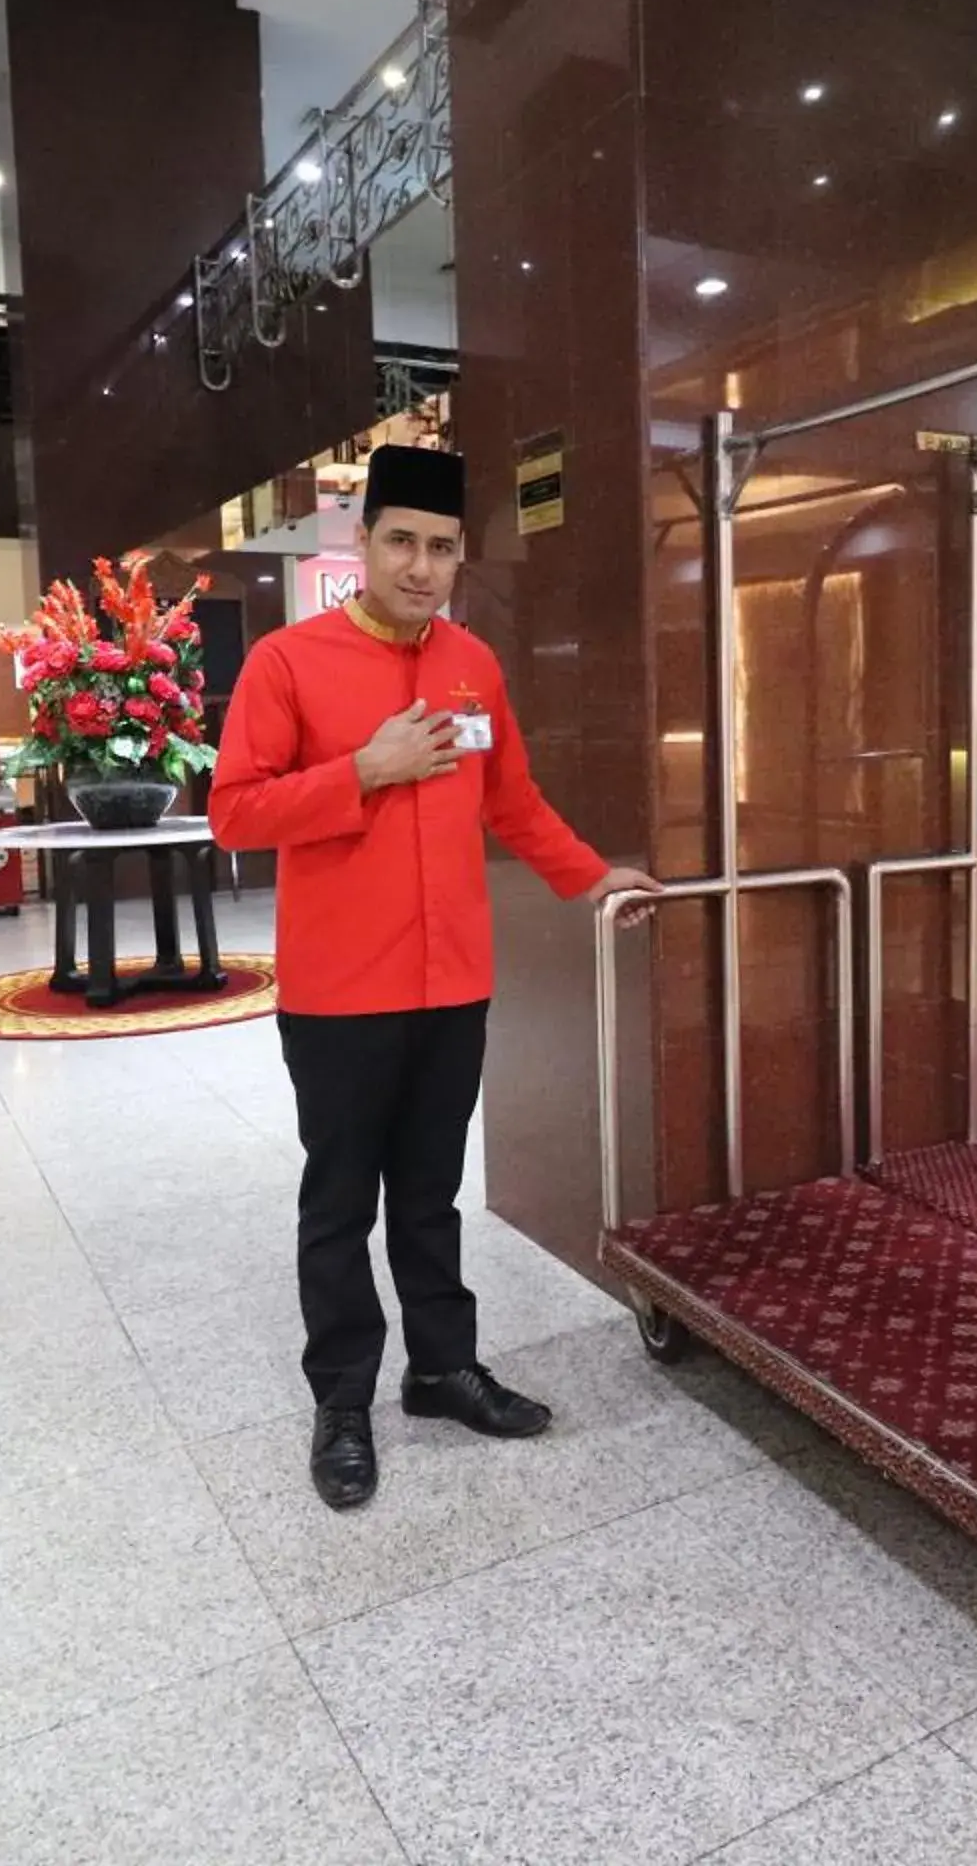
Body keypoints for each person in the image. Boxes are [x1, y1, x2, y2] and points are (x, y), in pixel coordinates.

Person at [210, 444, 660, 1511]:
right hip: (338, 992)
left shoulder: (472, 665)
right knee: (339, 1203)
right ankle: (342, 1401)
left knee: (429, 1193)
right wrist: (360, 771)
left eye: (443, 547)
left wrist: (591, 877)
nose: (422, 564)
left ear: (463, 557)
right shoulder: (289, 661)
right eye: (402, 540)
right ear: (361, 543)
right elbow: (235, 810)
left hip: (451, 981)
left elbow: (513, 800)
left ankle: (440, 1368)